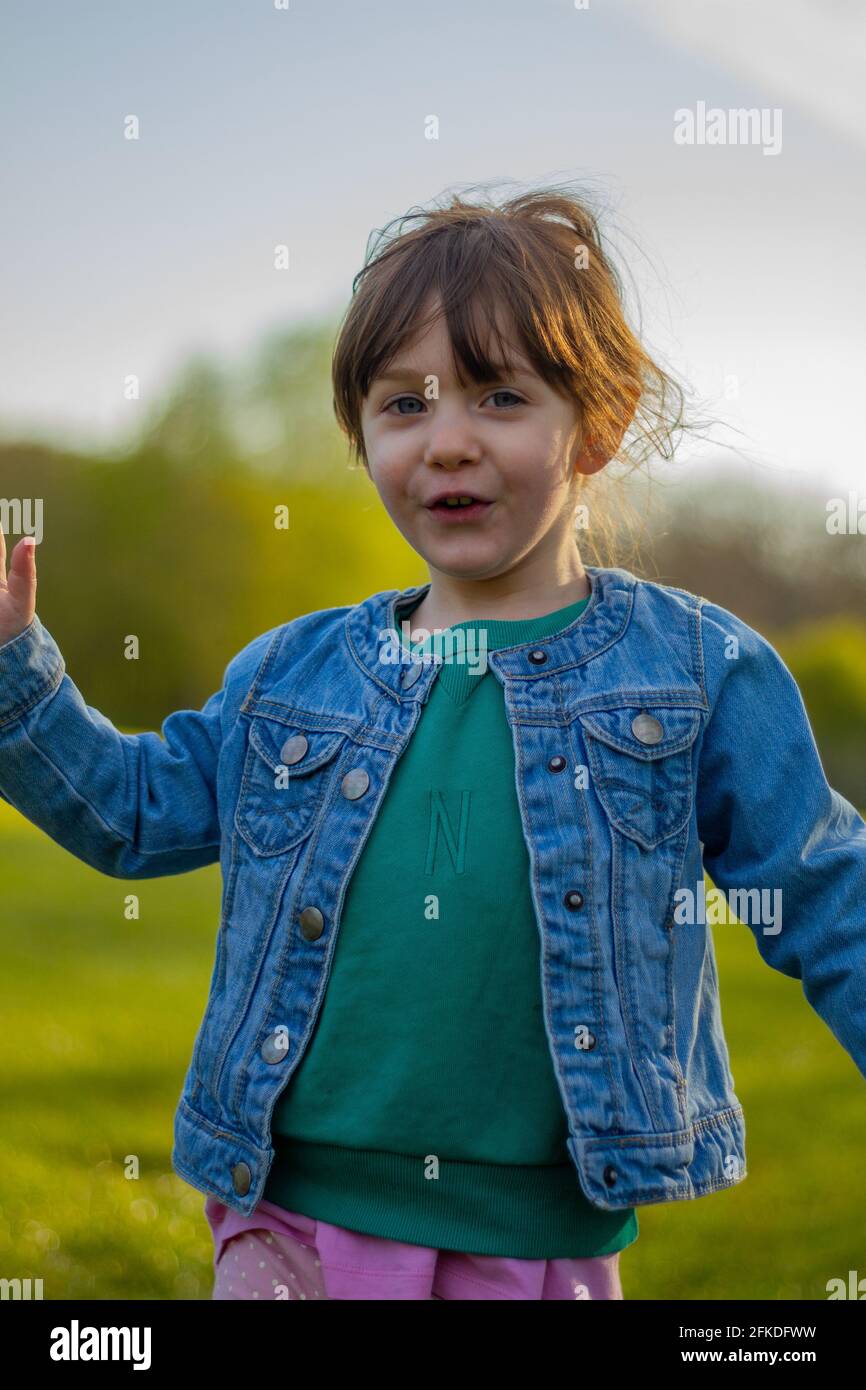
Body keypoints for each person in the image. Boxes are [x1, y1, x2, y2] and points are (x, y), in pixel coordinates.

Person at [2, 187, 865, 1301]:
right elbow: (129, 812)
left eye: (499, 395)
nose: (446, 440)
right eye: (402, 404)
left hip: (531, 1242)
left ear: (595, 422)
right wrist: (16, 664)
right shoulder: (290, 675)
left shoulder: (698, 671)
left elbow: (825, 892)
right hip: (287, 1224)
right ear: (360, 438)